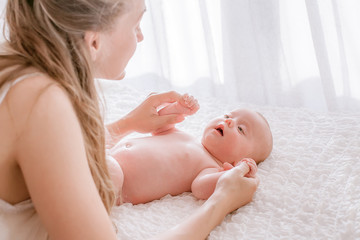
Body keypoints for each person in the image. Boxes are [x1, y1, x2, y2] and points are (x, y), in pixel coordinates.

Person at [0, 0, 260, 239]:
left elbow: (53, 152)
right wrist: (222, 201)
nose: (141, 36)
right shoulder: (43, 103)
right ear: (94, 42)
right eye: (136, 25)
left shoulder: (15, 68)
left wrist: (128, 124)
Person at [107, 94, 272, 205]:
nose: (229, 122)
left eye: (241, 129)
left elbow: (200, 188)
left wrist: (234, 174)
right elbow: (160, 125)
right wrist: (177, 109)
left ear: (238, 161)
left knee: (108, 170)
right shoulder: (185, 136)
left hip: (119, 181)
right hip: (108, 155)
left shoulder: (211, 167)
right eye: (228, 116)